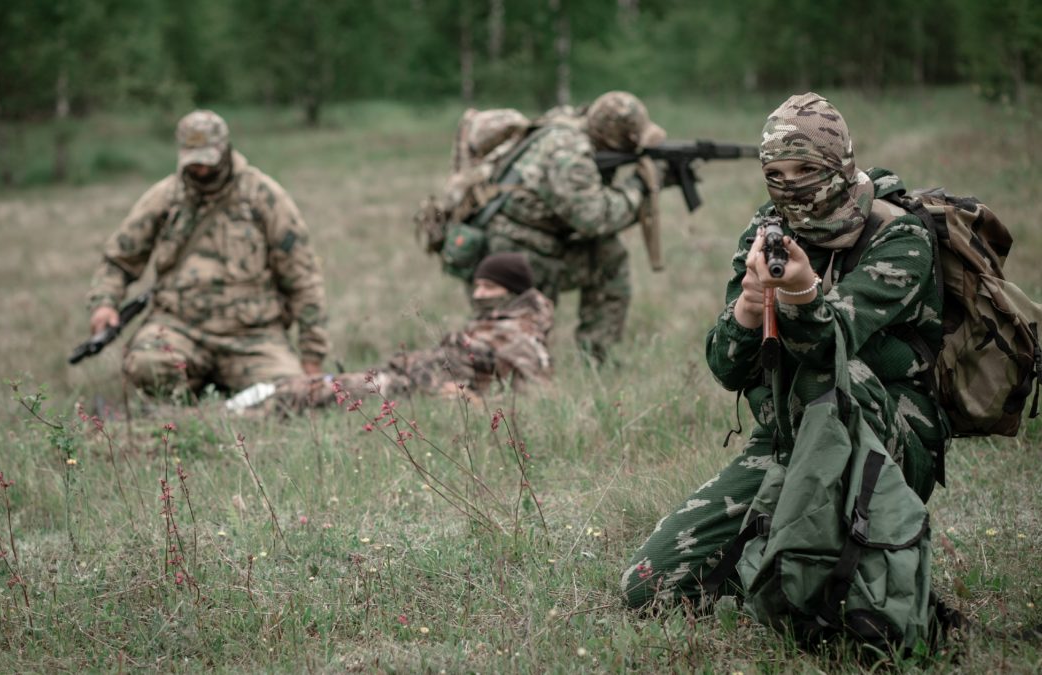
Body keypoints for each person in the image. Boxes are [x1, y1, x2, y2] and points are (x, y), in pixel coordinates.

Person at [620, 92, 945, 608]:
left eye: (806, 168)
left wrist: (798, 294)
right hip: (786, 439)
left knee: (830, 377)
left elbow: (829, 347)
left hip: (886, 437)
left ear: (840, 164)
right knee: (648, 588)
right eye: (776, 172)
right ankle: (773, 557)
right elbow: (727, 367)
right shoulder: (768, 228)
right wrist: (750, 305)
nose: (791, 185)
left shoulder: (899, 235)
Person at [86, 110, 328, 398]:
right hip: (178, 328)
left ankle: (225, 391)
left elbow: (303, 277)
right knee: (145, 366)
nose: (201, 171)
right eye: (194, 162)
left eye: (208, 161)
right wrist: (104, 303)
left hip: (253, 335)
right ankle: (197, 394)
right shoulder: (165, 198)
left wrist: (312, 357)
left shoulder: (263, 197)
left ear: (225, 149)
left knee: (289, 392)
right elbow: (119, 259)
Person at [481, 91, 666, 364]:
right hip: (520, 250)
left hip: (537, 241)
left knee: (609, 257)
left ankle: (596, 361)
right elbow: (595, 219)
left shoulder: (572, 125)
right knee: (512, 349)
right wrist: (638, 187)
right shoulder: (569, 155)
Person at [269, 252, 553, 410]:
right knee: (310, 386)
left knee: (313, 392)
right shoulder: (497, 321)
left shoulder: (521, 335)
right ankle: (249, 401)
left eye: (489, 287)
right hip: (409, 380)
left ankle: (240, 411)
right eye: (477, 286)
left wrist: (472, 401)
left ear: (512, 291)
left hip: (414, 391)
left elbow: (533, 395)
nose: (479, 295)